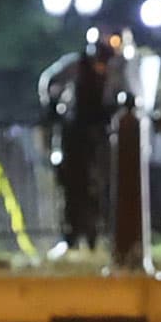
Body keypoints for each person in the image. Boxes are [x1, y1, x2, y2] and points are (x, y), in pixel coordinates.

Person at [41, 29, 128, 254]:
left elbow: (123, 94)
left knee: (101, 185)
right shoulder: (75, 64)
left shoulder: (117, 69)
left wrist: (119, 108)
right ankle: (71, 235)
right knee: (72, 185)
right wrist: (52, 106)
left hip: (101, 133)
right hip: (75, 133)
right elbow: (49, 81)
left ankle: (97, 235)